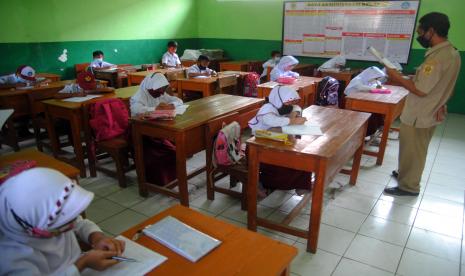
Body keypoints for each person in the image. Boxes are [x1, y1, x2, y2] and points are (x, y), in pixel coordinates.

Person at [384, 12, 461, 196]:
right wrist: (410, 77)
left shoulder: (436, 58)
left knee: (414, 150)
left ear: (431, 31)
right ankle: (405, 174)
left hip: (421, 113)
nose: (419, 36)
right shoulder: (451, 52)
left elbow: (421, 90)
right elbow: (432, 81)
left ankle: (409, 186)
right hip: (431, 110)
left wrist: (395, 77)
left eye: (420, 31)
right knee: (413, 148)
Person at [0, 167, 125, 275]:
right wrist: (82, 263)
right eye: (66, 224)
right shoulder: (11, 259)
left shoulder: (49, 218)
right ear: (39, 230)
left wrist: (97, 238)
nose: (72, 224)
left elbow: (79, 223)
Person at [248, 86, 311, 194]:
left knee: (303, 155)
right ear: (278, 100)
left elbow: (297, 107)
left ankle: (302, 185)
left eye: (291, 102)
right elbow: (273, 121)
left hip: (276, 141)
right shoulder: (267, 110)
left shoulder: (282, 106)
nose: (290, 105)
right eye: (288, 103)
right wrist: (292, 121)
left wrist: (294, 114)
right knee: (289, 160)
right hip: (259, 146)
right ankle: (266, 184)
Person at [130, 73, 183, 186]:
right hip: (142, 135)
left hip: (158, 131)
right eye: (159, 90)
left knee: (175, 150)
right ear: (150, 87)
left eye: (163, 90)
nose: (162, 93)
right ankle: (156, 182)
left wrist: (172, 105)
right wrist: (155, 108)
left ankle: (171, 179)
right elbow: (137, 110)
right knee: (167, 153)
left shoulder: (159, 94)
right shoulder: (138, 97)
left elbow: (178, 100)